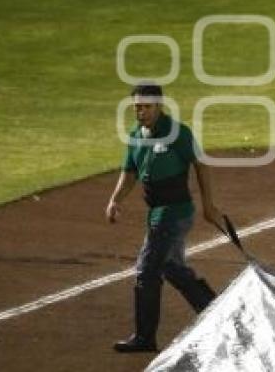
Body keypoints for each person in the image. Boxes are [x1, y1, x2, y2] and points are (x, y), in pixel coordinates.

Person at [106, 83, 222, 353]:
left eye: (146, 106)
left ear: (159, 105)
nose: (141, 112)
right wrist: (115, 199)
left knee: (147, 271)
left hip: (175, 213)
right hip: (157, 212)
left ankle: (145, 337)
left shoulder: (177, 133)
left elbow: (201, 164)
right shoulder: (136, 135)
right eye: (137, 107)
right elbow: (130, 171)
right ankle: (217, 312)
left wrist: (209, 205)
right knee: (172, 268)